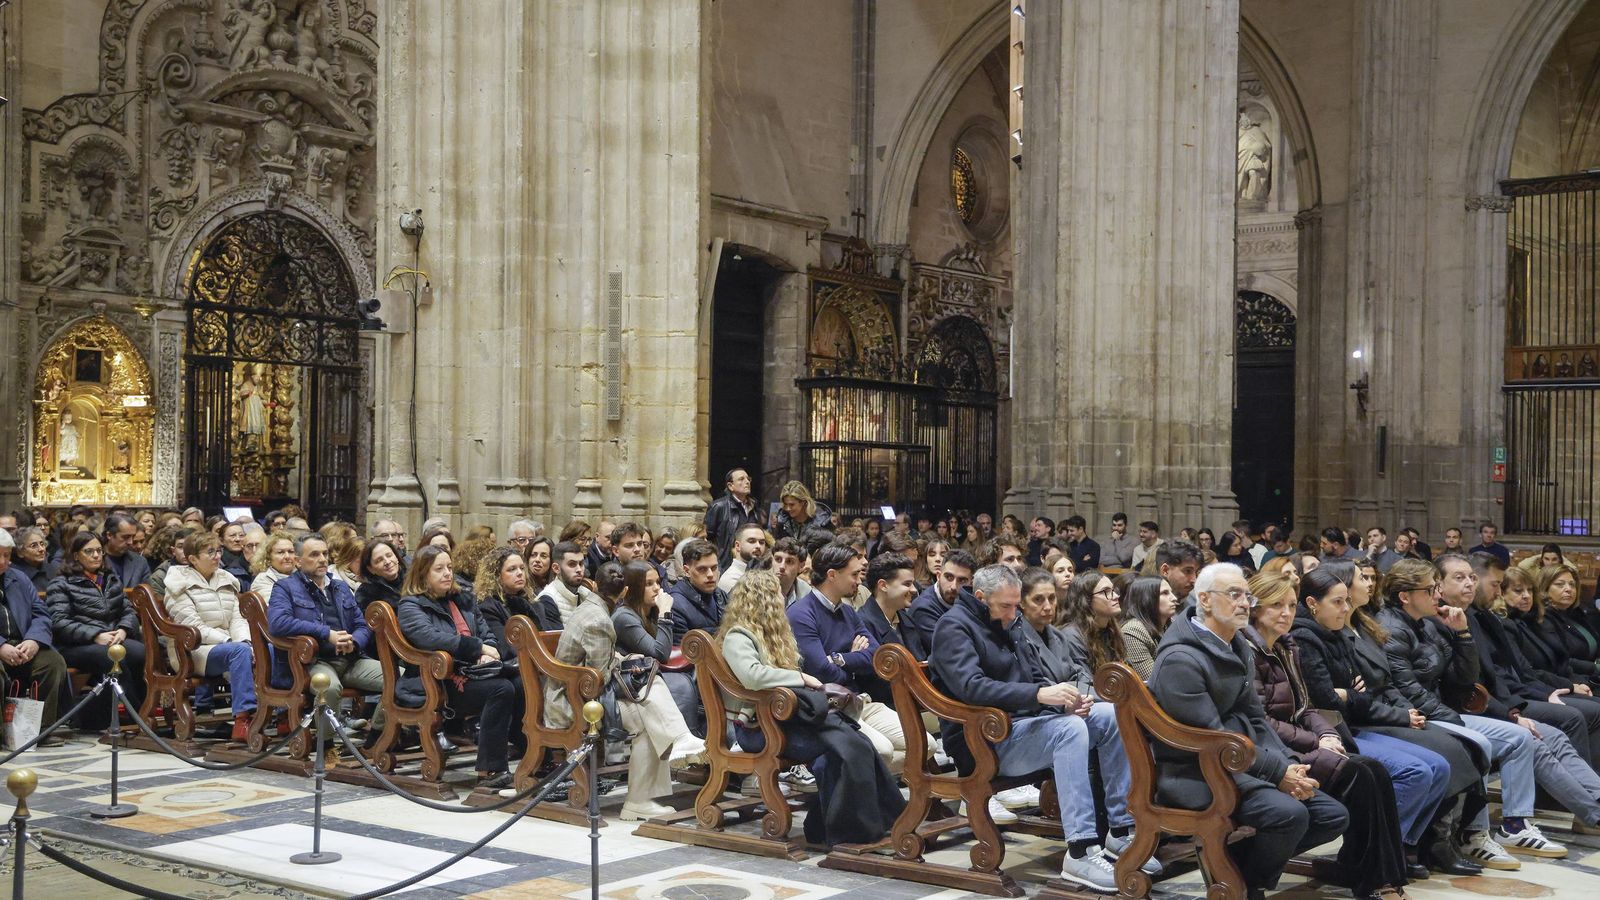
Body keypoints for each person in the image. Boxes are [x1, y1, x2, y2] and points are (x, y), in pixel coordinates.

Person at [931, 564, 1147, 892]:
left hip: (1021, 725)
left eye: (1015, 605)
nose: (1012, 613)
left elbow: (1032, 675)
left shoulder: (1008, 620)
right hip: (981, 739)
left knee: (1109, 715)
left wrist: (1061, 701)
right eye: (1005, 606)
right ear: (980, 597)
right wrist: (1039, 695)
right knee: (1069, 731)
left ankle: (1120, 831)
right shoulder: (953, 627)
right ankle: (1080, 852)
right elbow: (971, 687)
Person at [1149, 563, 1349, 898]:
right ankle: (1246, 886)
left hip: (1238, 763)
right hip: (1196, 773)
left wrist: (1287, 763)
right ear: (1205, 600)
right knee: (1290, 815)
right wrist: (1277, 774)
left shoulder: (1236, 644)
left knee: (1332, 815)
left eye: (1247, 595)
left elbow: (1256, 718)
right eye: (1234, 594)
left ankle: (1234, 871)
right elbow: (1211, 737)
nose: (1244, 603)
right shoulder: (1180, 659)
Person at [1291, 564, 1484, 875]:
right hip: (1340, 728)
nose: (1368, 585)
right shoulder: (1307, 637)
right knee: (1419, 768)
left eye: (1345, 600)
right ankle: (1376, 855)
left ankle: (1405, 846)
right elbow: (1328, 699)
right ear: (1313, 603)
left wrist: (1356, 697)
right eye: (1339, 600)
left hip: (1366, 715)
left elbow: (1370, 686)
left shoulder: (1349, 629)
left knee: (1444, 761)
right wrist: (1362, 699)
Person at [1380, 556, 1565, 866]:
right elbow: (1408, 690)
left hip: (1439, 710)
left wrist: (1463, 635)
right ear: (1405, 596)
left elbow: (1463, 680)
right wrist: (1454, 719)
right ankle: (1471, 835)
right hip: (1418, 714)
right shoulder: (1392, 628)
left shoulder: (1427, 624)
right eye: (1431, 589)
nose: (1437, 594)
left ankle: (1515, 826)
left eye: (1436, 587)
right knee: (1477, 741)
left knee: (1519, 738)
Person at [1243, 571, 1410, 900]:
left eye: (1291, 606)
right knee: (1361, 775)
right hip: (1275, 751)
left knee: (1374, 771)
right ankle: (1375, 882)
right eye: (1276, 605)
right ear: (1256, 608)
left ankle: (1385, 877)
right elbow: (1262, 721)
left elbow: (1306, 706)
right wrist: (1315, 741)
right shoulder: (1249, 651)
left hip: (1296, 742)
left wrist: (1327, 733)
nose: (1286, 613)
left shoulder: (1286, 646)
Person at [716, 568, 903, 843]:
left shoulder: (774, 636)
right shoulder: (738, 636)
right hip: (758, 728)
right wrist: (800, 677)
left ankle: (839, 825)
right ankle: (841, 828)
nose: (782, 598)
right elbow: (752, 676)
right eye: (776, 594)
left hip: (785, 717)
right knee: (840, 747)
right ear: (761, 600)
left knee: (857, 742)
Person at [546, 553, 704, 819]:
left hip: (579, 690)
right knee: (647, 715)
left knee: (649, 692)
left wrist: (625, 660)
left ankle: (677, 746)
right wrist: (627, 661)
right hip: (570, 701)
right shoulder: (600, 619)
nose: (656, 589)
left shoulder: (594, 607)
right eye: (649, 583)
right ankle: (639, 799)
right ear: (626, 591)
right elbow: (599, 679)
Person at [397, 546, 522, 789]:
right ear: (422, 573)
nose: (447, 573)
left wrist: (488, 650)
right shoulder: (411, 605)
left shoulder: (463, 598)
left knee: (519, 683)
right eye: (439, 569)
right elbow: (429, 638)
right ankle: (490, 769)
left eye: (449, 567)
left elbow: (486, 632)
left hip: (474, 672)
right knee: (501, 689)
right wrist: (477, 648)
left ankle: (532, 755)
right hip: (438, 681)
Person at [787, 544, 906, 772]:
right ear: (832, 575)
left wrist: (840, 658)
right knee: (883, 751)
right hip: (831, 706)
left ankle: (859, 779)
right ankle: (854, 783)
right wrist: (853, 663)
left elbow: (876, 656)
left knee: (925, 745)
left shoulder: (848, 611)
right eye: (854, 574)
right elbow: (821, 671)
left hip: (860, 700)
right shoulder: (801, 613)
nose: (860, 580)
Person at [267, 533, 386, 756]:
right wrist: (326, 634)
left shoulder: (339, 587)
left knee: (398, 678)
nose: (322, 559)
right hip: (314, 661)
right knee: (329, 688)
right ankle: (327, 745)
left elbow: (362, 624)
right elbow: (278, 623)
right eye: (314, 554)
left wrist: (354, 642)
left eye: (324, 553)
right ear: (298, 561)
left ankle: (375, 738)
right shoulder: (285, 587)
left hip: (350, 658)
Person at [163, 532, 257, 743]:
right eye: (210, 552)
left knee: (267, 650)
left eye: (219, 551)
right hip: (192, 650)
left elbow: (238, 619)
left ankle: (280, 715)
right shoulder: (178, 583)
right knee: (239, 651)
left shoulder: (225, 579)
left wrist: (245, 641)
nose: (217, 556)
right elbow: (192, 626)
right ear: (193, 559)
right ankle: (244, 720)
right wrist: (229, 642)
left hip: (229, 647)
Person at [47, 532, 147, 726]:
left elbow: (128, 611)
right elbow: (59, 622)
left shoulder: (109, 578)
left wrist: (123, 629)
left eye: (99, 551)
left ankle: (141, 709)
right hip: (75, 645)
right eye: (89, 551)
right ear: (76, 555)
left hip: (112, 639)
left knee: (140, 652)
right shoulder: (61, 583)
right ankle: (138, 717)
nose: (96, 555)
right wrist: (95, 636)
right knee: (113, 657)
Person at [0, 530, 68, 740]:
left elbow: (41, 613)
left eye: (6, 555)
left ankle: (41, 730)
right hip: (2, 647)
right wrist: (1, 646)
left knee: (52, 663)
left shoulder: (19, 578)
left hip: (23, 643)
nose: (3, 561)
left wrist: (34, 640)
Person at [903, 548, 977, 660]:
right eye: (949, 577)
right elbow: (951, 651)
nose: (953, 586)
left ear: (971, 582)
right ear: (938, 576)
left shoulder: (970, 599)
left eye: (962, 581)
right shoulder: (923, 608)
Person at [1058, 571, 1127, 685]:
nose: (1116, 596)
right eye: (1106, 592)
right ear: (1086, 600)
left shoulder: (1113, 630)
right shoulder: (1071, 636)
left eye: (1113, 590)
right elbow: (1084, 683)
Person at [1118, 576, 1177, 681]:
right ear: (1147, 598)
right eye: (1165, 593)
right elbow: (1152, 681)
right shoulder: (1133, 631)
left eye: (1171, 592)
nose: (1174, 598)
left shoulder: (1171, 625)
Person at [667, 539, 727, 642]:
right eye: (702, 569)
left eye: (714, 568)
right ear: (687, 571)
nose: (710, 574)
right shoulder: (675, 605)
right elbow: (681, 649)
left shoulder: (720, 594)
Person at [704, 468, 764, 566]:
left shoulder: (754, 506)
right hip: (726, 564)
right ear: (730, 486)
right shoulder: (719, 506)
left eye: (748, 479)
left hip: (752, 564)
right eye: (741, 479)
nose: (747, 482)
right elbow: (706, 538)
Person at [537, 541, 600, 626]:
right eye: (572, 564)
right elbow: (557, 635)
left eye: (581, 564)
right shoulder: (547, 599)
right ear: (556, 568)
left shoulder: (587, 594)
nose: (579, 569)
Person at [353, 538, 407, 614]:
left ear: (396, 557)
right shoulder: (366, 594)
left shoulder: (414, 578)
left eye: (389, 555)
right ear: (370, 569)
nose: (387, 562)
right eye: (379, 560)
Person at [102, 513, 152, 590]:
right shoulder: (96, 560)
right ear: (109, 535)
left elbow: (146, 593)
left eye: (133, 537)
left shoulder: (140, 562)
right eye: (125, 537)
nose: (130, 542)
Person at [717, 523, 770, 594]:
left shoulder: (760, 571)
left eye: (761, 542)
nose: (758, 546)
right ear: (738, 546)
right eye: (752, 541)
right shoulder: (732, 578)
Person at [249, 531, 298, 597]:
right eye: (280, 552)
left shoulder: (304, 575)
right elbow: (278, 602)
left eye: (291, 552)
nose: (287, 556)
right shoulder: (262, 581)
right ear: (268, 557)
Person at [1156, 539, 1203, 608]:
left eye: (1196, 572)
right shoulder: (1142, 606)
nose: (1194, 580)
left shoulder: (1198, 604)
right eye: (1188, 571)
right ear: (1165, 570)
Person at [770, 537, 811, 608]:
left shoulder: (806, 591)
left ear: (801, 566)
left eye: (789, 561)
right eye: (778, 559)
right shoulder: (756, 586)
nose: (782, 566)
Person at [11, 527, 54, 593]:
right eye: (33, 546)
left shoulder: (51, 569)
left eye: (42, 544)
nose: (41, 549)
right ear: (20, 552)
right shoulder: (15, 575)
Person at [218, 522, 253, 586]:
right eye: (232, 536)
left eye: (241, 535)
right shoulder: (218, 562)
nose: (238, 539)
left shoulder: (251, 558)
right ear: (221, 541)